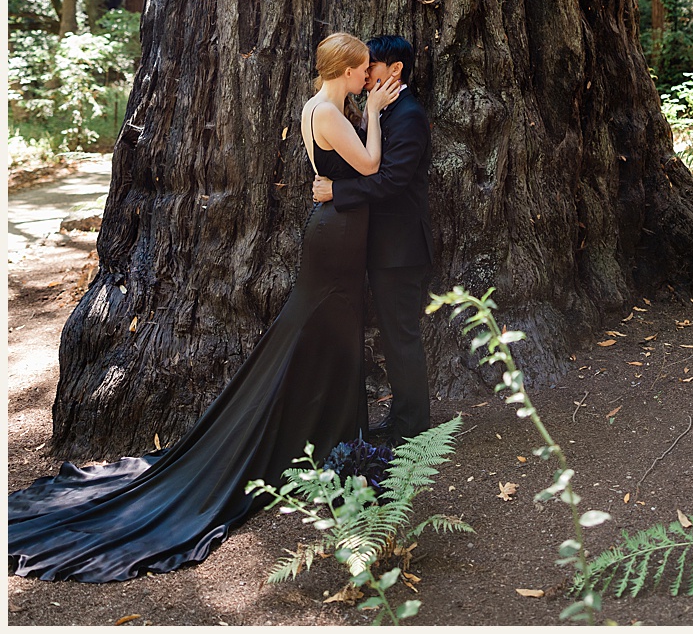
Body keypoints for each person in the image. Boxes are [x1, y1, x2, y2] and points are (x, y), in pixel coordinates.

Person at [9, 33, 400, 581]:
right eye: (363, 73)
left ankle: (336, 439)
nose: (368, 81)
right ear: (347, 69)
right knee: (313, 328)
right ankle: (290, 434)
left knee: (331, 333)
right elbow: (371, 166)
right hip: (335, 237)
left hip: (339, 229)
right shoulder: (331, 112)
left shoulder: (321, 106)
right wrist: (377, 115)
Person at [313, 34, 434, 443]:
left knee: (401, 337)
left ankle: (413, 431)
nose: (366, 74)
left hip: (399, 248)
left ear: (394, 69)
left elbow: (394, 180)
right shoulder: (383, 109)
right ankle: (401, 418)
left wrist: (337, 192)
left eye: (373, 67)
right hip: (380, 244)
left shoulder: (410, 114)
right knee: (392, 336)